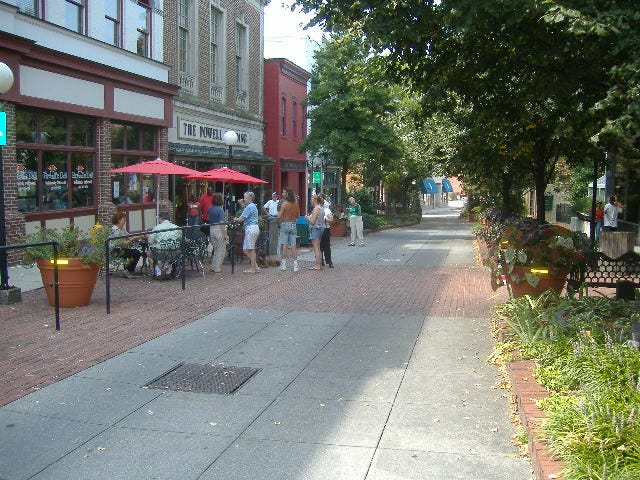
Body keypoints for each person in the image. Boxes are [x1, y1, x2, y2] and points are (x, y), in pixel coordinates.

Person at [109, 212, 144, 278]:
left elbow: (130, 236)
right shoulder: (115, 230)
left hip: (120, 249)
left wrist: (139, 236)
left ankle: (128, 269)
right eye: (124, 220)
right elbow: (124, 243)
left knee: (134, 252)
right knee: (136, 253)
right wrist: (134, 238)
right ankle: (129, 270)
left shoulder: (122, 229)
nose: (125, 221)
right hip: (114, 250)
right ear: (118, 220)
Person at [149, 211, 182, 279]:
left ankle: (158, 273)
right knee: (170, 252)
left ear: (160, 218)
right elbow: (182, 239)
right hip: (175, 253)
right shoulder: (177, 227)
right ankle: (168, 273)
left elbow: (150, 241)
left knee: (149, 253)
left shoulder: (157, 228)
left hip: (161, 253)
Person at [234, 191, 261, 273]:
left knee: (251, 249)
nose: (244, 199)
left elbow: (241, 219)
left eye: (245, 197)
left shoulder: (249, 207)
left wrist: (235, 219)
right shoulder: (252, 206)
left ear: (249, 198)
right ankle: (256, 266)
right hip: (253, 228)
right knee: (245, 249)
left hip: (251, 228)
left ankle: (253, 269)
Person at [277, 188, 300, 271]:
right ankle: (295, 265)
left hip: (285, 224)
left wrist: (281, 217)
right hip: (293, 224)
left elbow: (279, 216)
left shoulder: (284, 204)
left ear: (287, 195)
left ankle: (283, 265)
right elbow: (298, 215)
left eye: (284, 192)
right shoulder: (296, 204)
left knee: (284, 245)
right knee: (293, 245)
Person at [207, 193, 227, 273]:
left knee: (216, 249)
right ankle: (217, 268)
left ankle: (213, 266)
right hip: (218, 229)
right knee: (221, 250)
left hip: (211, 229)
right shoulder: (220, 210)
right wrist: (225, 234)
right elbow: (221, 223)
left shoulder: (210, 208)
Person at [305, 194, 325, 270]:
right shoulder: (321, 208)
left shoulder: (316, 209)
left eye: (311, 199)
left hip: (315, 229)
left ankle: (317, 265)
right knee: (318, 247)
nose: (310, 201)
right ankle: (319, 264)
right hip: (321, 228)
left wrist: (307, 218)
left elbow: (312, 221)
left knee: (316, 248)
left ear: (315, 200)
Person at [318, 193, 334, 268]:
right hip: (318, 229)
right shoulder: (316, 209)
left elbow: (331, 220)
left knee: (326, 246)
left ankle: (329, 261)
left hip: (325, 229)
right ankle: (321, 261)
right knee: (320, 246)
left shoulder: (327, 210)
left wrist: (325, 219)